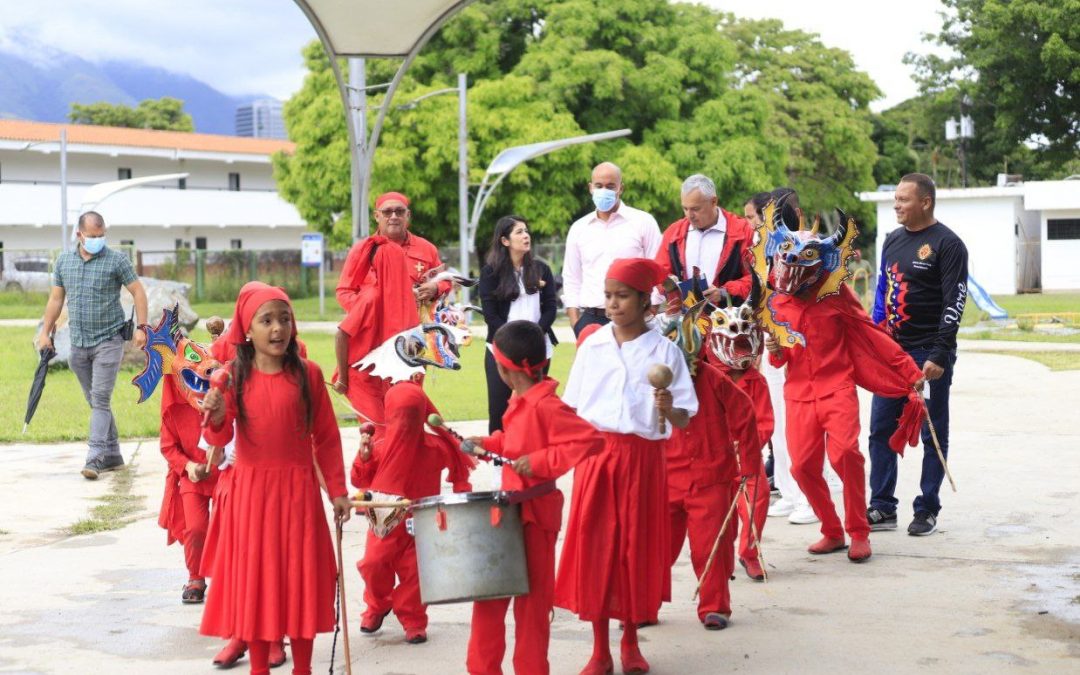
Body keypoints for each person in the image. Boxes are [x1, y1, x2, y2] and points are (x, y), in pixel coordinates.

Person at [758, 201, 925, 564]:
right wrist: (774, 348)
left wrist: (909, 371)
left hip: (837, 387)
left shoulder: (837, 295)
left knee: (845, 455)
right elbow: (779, 358)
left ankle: (859, 530)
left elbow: (870, 333)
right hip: (799, 393)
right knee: (801, 466)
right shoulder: (777, 302)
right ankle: (832, 530)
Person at [199, 283, 351, 675]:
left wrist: (337, 491)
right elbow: (217, 439)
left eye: (284, 319)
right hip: (253, 497)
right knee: (258, 585)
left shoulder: (310, 375)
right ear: (247, 329)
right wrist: (215, 415)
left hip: (298, 494)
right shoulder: (232, 377)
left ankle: (303, 668)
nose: (278, 328)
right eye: (266, 320)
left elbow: (327, 438)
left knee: (298, 582)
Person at [555, 258, 698, 675]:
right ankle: (599, 650)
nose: (613, 305)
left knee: (634, 551)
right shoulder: (593, 346)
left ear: (644, 302)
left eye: (622, 297)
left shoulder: (664, 351)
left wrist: (669, 409)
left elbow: (686, 417)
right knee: (596, 551)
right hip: (597, 459)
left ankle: (631, 641)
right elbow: (574, 408)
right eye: (608, 297)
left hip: (643, 461)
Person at [465, 320, 603, 675]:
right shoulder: (520, 400)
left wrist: (540, 462)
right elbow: (514, 447)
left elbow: (589, 439)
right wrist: (487, 444)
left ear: (505, 369)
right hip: (506, 514)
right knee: (490, 601)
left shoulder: (547, 406)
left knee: (531, 608)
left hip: (536, 519)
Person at [349, 323, 475, 645]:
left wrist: (462, 484)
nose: (404, 424)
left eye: (411, 416)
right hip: (383, 520)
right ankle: (377, 604)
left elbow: (459, 465)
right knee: (373, 564)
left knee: (416, 574)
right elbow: (358, 481)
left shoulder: (435, 448)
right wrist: (363, 457)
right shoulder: (377, 447)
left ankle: (413, 619)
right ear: (389, 416)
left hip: (418, 522)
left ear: (420, 417)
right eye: (399, 417)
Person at [868, 173, 969, 536]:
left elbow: (955, 301)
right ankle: (881, 506)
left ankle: (927, 508)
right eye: (895, 198)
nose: (896, 204)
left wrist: (940, 353)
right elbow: (883, 291)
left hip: (930, 351)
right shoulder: (892, 240)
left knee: (932, 431)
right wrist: (874, 336)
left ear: (925, 202)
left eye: (903, 199)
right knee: (880, 428)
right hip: (891, 352)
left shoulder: (948, 244)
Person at [656, 286, 760, 630]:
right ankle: (644, 603)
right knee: (655, 547)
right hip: (664, 476)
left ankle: (714, 605)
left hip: (710, 476)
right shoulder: (650, 385)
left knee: (709, 547)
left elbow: (744, 412)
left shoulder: (712, 378)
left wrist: (749, 465)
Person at [37, 211, 148, 479]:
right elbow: (55, 300)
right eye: (93, 236)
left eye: (101, 236)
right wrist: (45, 332)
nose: (98, 240)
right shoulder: (64, 261)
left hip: (108, 340)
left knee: (99, 399)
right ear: (79, 235)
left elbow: (138, 292)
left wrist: (143, 328)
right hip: (78, 345)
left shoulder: (116, 260)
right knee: (95, 401)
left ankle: (95, 458)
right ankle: (113, 454)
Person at [756, 189, 820, 526]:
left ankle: (808, 498)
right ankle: (789, 491)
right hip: (773, 344)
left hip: (797, 345)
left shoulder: (801, 245)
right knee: (778, 426)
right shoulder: (767, 247)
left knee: (798, 428)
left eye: (766, 217)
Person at [705, 296, 773, 583]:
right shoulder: (707, 377)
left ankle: (749, 551)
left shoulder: (756, 381)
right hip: (714, 455)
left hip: (746, 453)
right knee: (712, 508)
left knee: (759, 494)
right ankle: (717, 556)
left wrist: (747, 445)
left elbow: (765, 421)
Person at [562, 162, 662, 337]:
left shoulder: (643, 222)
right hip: (591, 320)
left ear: (620, 188)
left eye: (610, 186)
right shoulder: (579, 228)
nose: (604, 191)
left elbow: (658, 269)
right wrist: (575, 322)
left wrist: (651, 310)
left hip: (634, 317)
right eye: (599, 186)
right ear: (590, 188)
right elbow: (572, 277)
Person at [478, 216, 559, 432]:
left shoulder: (542, 269)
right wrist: (512, 340)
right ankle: (498, 461)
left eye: (526, 231)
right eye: (519, 232)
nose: (526, 236)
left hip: (537, 348)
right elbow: (490, 315)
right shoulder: (490, 273)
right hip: (501, 348)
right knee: (499, 410)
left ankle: (532, 459)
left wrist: (534, 335)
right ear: (505, 241)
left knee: (535, 408)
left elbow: (551, 307)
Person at [332, 235, 419, 430]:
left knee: (393, 432)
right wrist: (343, 379)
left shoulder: (402, 296)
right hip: (360, 378)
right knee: (379, 434)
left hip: (381, 377)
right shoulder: (371, 297)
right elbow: (341, 335)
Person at [336, 191, 451, 312]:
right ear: (376, 216)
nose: (394, 216)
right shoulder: (361, 250)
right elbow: (344, 291)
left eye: (400, 211)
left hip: (416, 325)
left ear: (408, 214)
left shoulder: (426, 248)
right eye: (387, 212)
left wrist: (435, 288)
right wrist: (366, 311)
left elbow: (445, 280)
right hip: (375, 325)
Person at [654, 174, 753, 307]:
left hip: (729, 320)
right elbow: (658, 271)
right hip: (687, 318)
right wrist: (669, 282)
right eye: (685, 208)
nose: (690, 215)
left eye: (695, 209)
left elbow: (757, 277)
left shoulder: (743, 231)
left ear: (714, 202)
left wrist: (724, 293)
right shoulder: (674, 232)